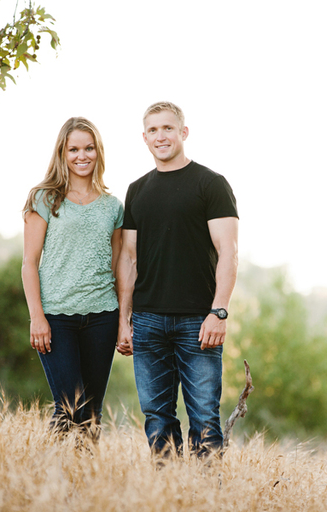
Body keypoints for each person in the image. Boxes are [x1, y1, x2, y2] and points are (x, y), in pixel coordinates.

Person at [117, 101, 239, 458]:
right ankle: (169, 495)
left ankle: (205, 497)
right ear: (144, 138)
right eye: (153, 130)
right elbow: (128, 258)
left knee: (204, 417)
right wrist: (125, 319)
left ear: (183, 133)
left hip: (197, 322)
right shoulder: (137, 190)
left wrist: (218, 312)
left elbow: (229, 252)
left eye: (168, 128)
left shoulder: (211, 184)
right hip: (148, 320)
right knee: (157, 417)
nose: (161, 136)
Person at [21, 117, 124, 438]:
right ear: (62, 154)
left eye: (89, 148)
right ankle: (49, 480)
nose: (82, 156)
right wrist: (36, 317)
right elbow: (29, 262)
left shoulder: (113, 207)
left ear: (99, 152)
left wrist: (124, 320)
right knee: (69, 407)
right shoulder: (44, 198)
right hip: (56, 318)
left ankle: (84, 482)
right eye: (74, 149)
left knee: (91, 413)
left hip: (102, 317)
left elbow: (120, 264)